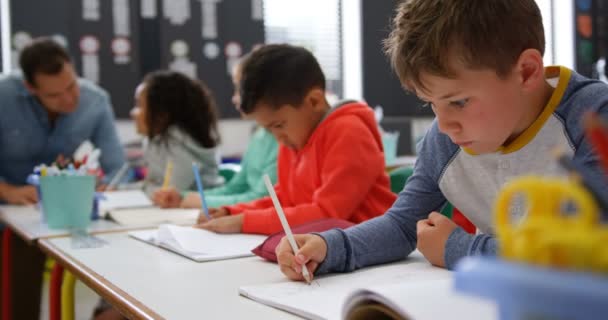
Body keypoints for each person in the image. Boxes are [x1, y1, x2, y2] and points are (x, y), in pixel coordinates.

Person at [276, 0, 608, 281]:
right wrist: (330, 246)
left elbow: (587, 252)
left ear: (526, 72)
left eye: (458, 102)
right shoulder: (447, 136)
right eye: (431, 103)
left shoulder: (594, 118)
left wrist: (458, 250)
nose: (444, 124)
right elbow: (403, 225)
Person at [195, 44, 397, 234]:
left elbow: (327, 214)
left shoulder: (349, 131)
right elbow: (284, 199)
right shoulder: (294, 139)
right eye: (269, 129)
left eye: (279, 125)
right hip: (331, 250)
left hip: (374, 256)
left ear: (314, 101)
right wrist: (233, 211)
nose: (277, 137)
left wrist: (243, 222)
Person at [0, 37, 125, 319]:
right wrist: (7, 190)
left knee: (116, 247)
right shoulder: (3, 97)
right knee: (18, 262)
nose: (69, 99)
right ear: (30, 88)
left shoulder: (96, 101)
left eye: (71, 86)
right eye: (54, 95)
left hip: (65, 213)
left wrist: (105, 186)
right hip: (10, 213)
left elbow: (116, 166)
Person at [153, 55, 279, 208]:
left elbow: (264, 198)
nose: (234, 98)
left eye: (239, 90)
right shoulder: (259, 135)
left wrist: (201, 201)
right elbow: (236, 188)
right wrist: (183, 196)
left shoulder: (280, 140)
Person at [130, 70, 224, 196]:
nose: (133, 113)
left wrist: (144, 189)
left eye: (139, 105)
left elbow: (167, 195)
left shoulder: (178, 147)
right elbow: (152, 185)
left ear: (162, 114)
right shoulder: (156, 142)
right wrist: (124, 189)